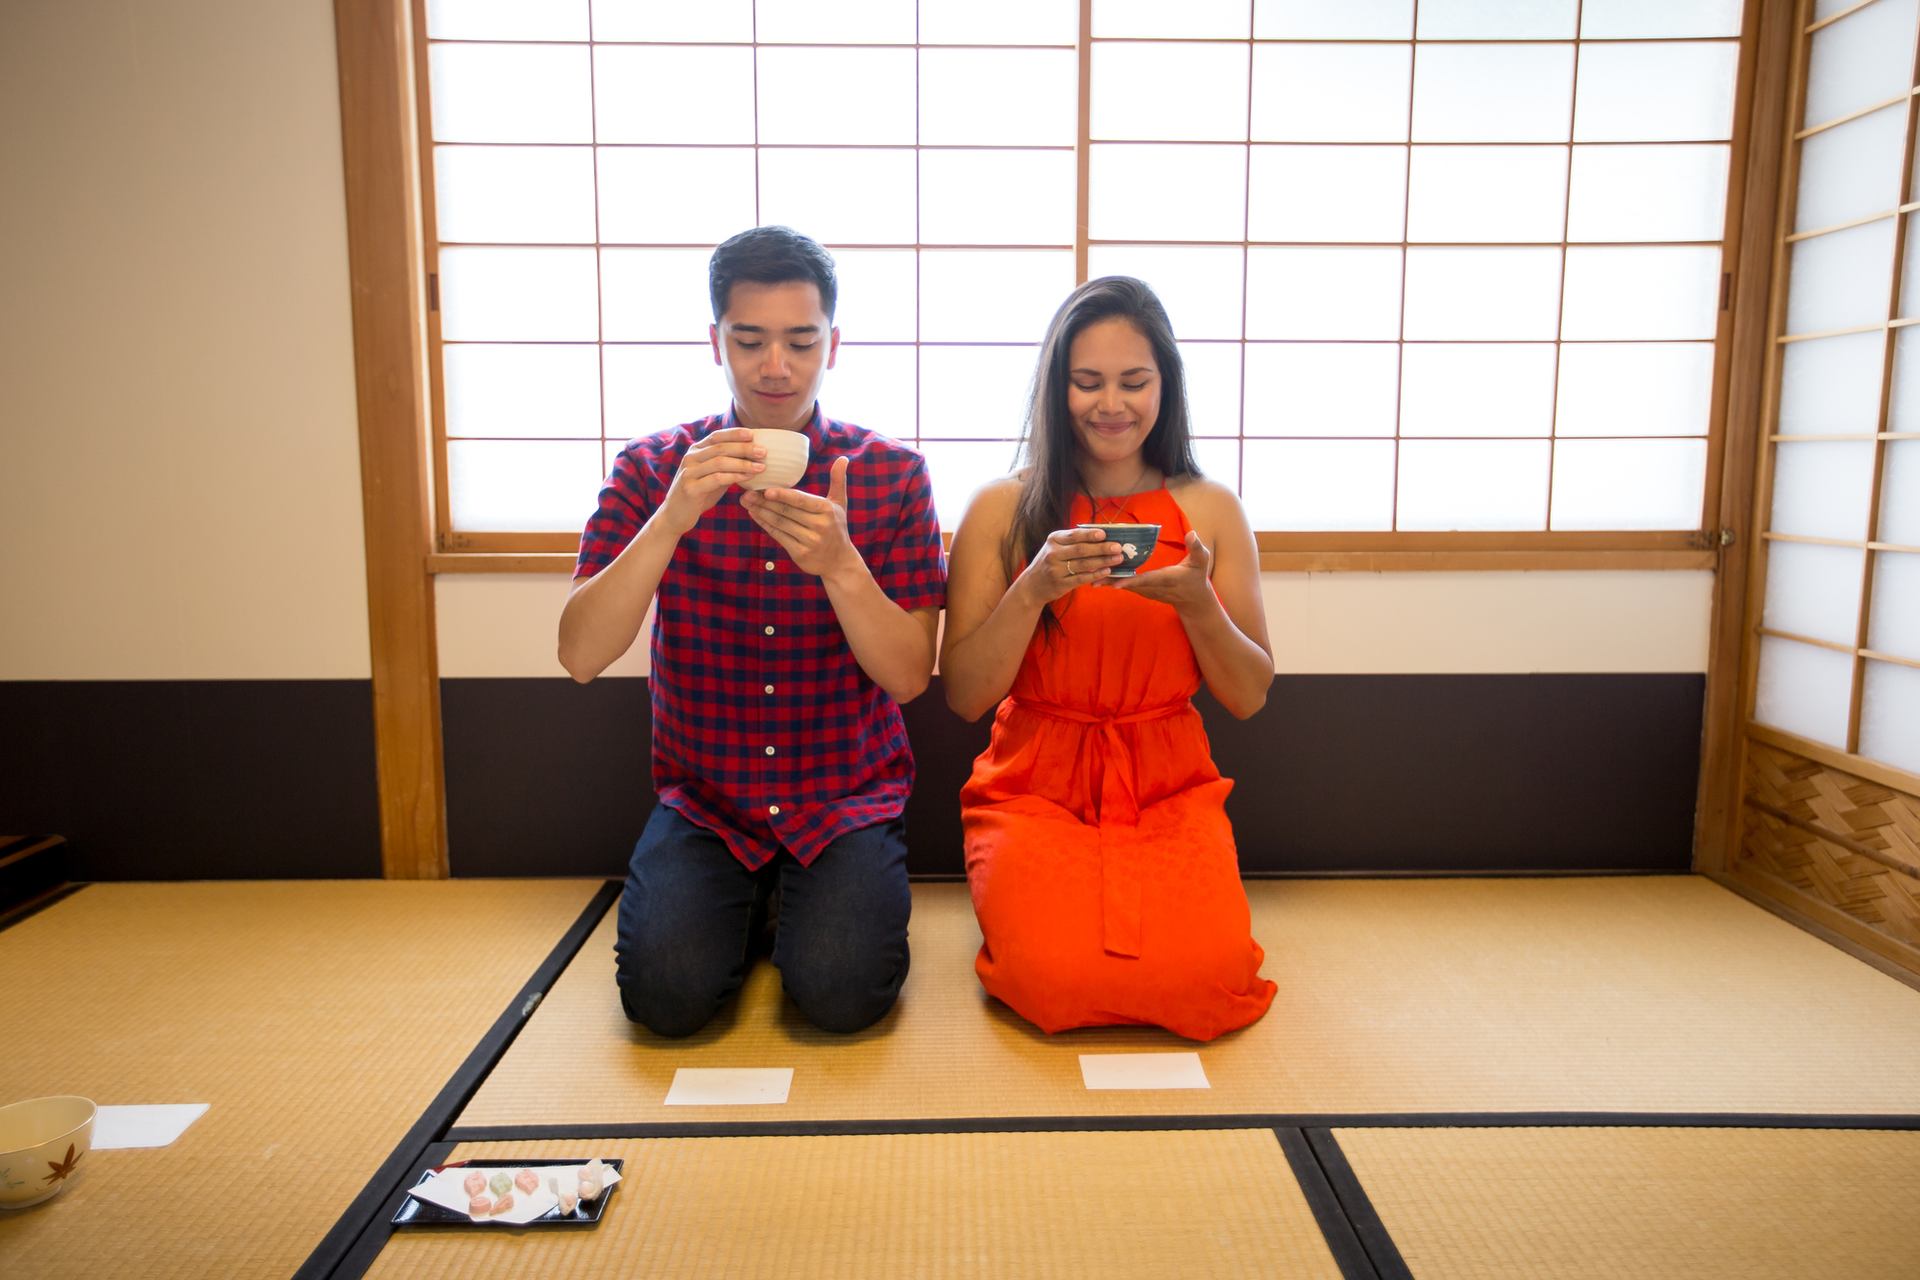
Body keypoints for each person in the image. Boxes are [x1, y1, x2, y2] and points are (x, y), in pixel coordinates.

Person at [559, 226, 946, 1037]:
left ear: (832, 345)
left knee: (844, 996)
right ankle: (753, 901)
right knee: (666, 1001)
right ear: (716, 342)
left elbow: (910, 677)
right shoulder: (652, 467)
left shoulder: (892, 473)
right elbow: (581, 654)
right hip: (707, 803)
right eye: (751, 340)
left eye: (801, 341)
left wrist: (843, 566)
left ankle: (789, 906)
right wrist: (671, 517)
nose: (776, 366)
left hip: (843, 797)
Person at [939, 276, 1277, 1041]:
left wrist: (1200, 604)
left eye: (1134, 382)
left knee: (1207, 976)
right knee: (1050, 979)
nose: (1110, 404)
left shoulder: (1211, 509)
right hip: (1037, 784)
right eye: (1087, 383)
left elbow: (1251, 693)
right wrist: (1031, 591)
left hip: (1167, 782)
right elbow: (962, 694)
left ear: (1167, 386)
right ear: (1056, 389)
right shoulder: (1003, 507)